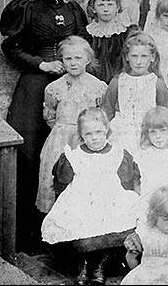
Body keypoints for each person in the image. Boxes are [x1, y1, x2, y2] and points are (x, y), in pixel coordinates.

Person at [0, 0, 88, 252]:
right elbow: (10, 46)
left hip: (70, 87)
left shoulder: (75, 10)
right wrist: (42, 64)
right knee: (31, 152)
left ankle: (67, 231)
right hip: (36, 86)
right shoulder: (30, 9)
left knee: (71, 151)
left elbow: (83, 46)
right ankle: (27, 234)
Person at [41, 107, 140, 285]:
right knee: (78, 222)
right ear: (81, 135)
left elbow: (126, 179)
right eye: (88, 134)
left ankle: (100, 264)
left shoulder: (117, 154)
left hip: (110, 199)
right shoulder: (74, 156)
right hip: (81, 199)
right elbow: (62, 180)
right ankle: (84, 263)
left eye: (98, 132)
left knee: (116, 221)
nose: (94, 138)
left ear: (107, 130)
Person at [36, 36, 107, 214]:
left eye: (78, 58)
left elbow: (102, 115)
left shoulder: (98, 87)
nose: (73, 63)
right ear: (61, 60)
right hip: (60, 139)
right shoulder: (54, 88)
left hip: (88, 139)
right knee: (57, 176)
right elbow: (50, 116)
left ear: (88, 59)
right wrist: (63, 131)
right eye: (68, 59)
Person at [101, 31, 168, 155]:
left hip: (148, 133)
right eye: (134, 56)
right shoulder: (117, 81)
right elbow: (107, 111)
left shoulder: (157, 83)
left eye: (144, 56)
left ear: (152, 57)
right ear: (127, 57)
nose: (139, 62)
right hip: (121, 132)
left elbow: (165, 114)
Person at [79, 0, 134, 84]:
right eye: (101, 5)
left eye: (110, 4)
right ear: (94, 8)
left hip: (120, 82)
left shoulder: (126, 33)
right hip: (92, 82)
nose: (105, 9)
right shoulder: (86, 33)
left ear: (117, 7)